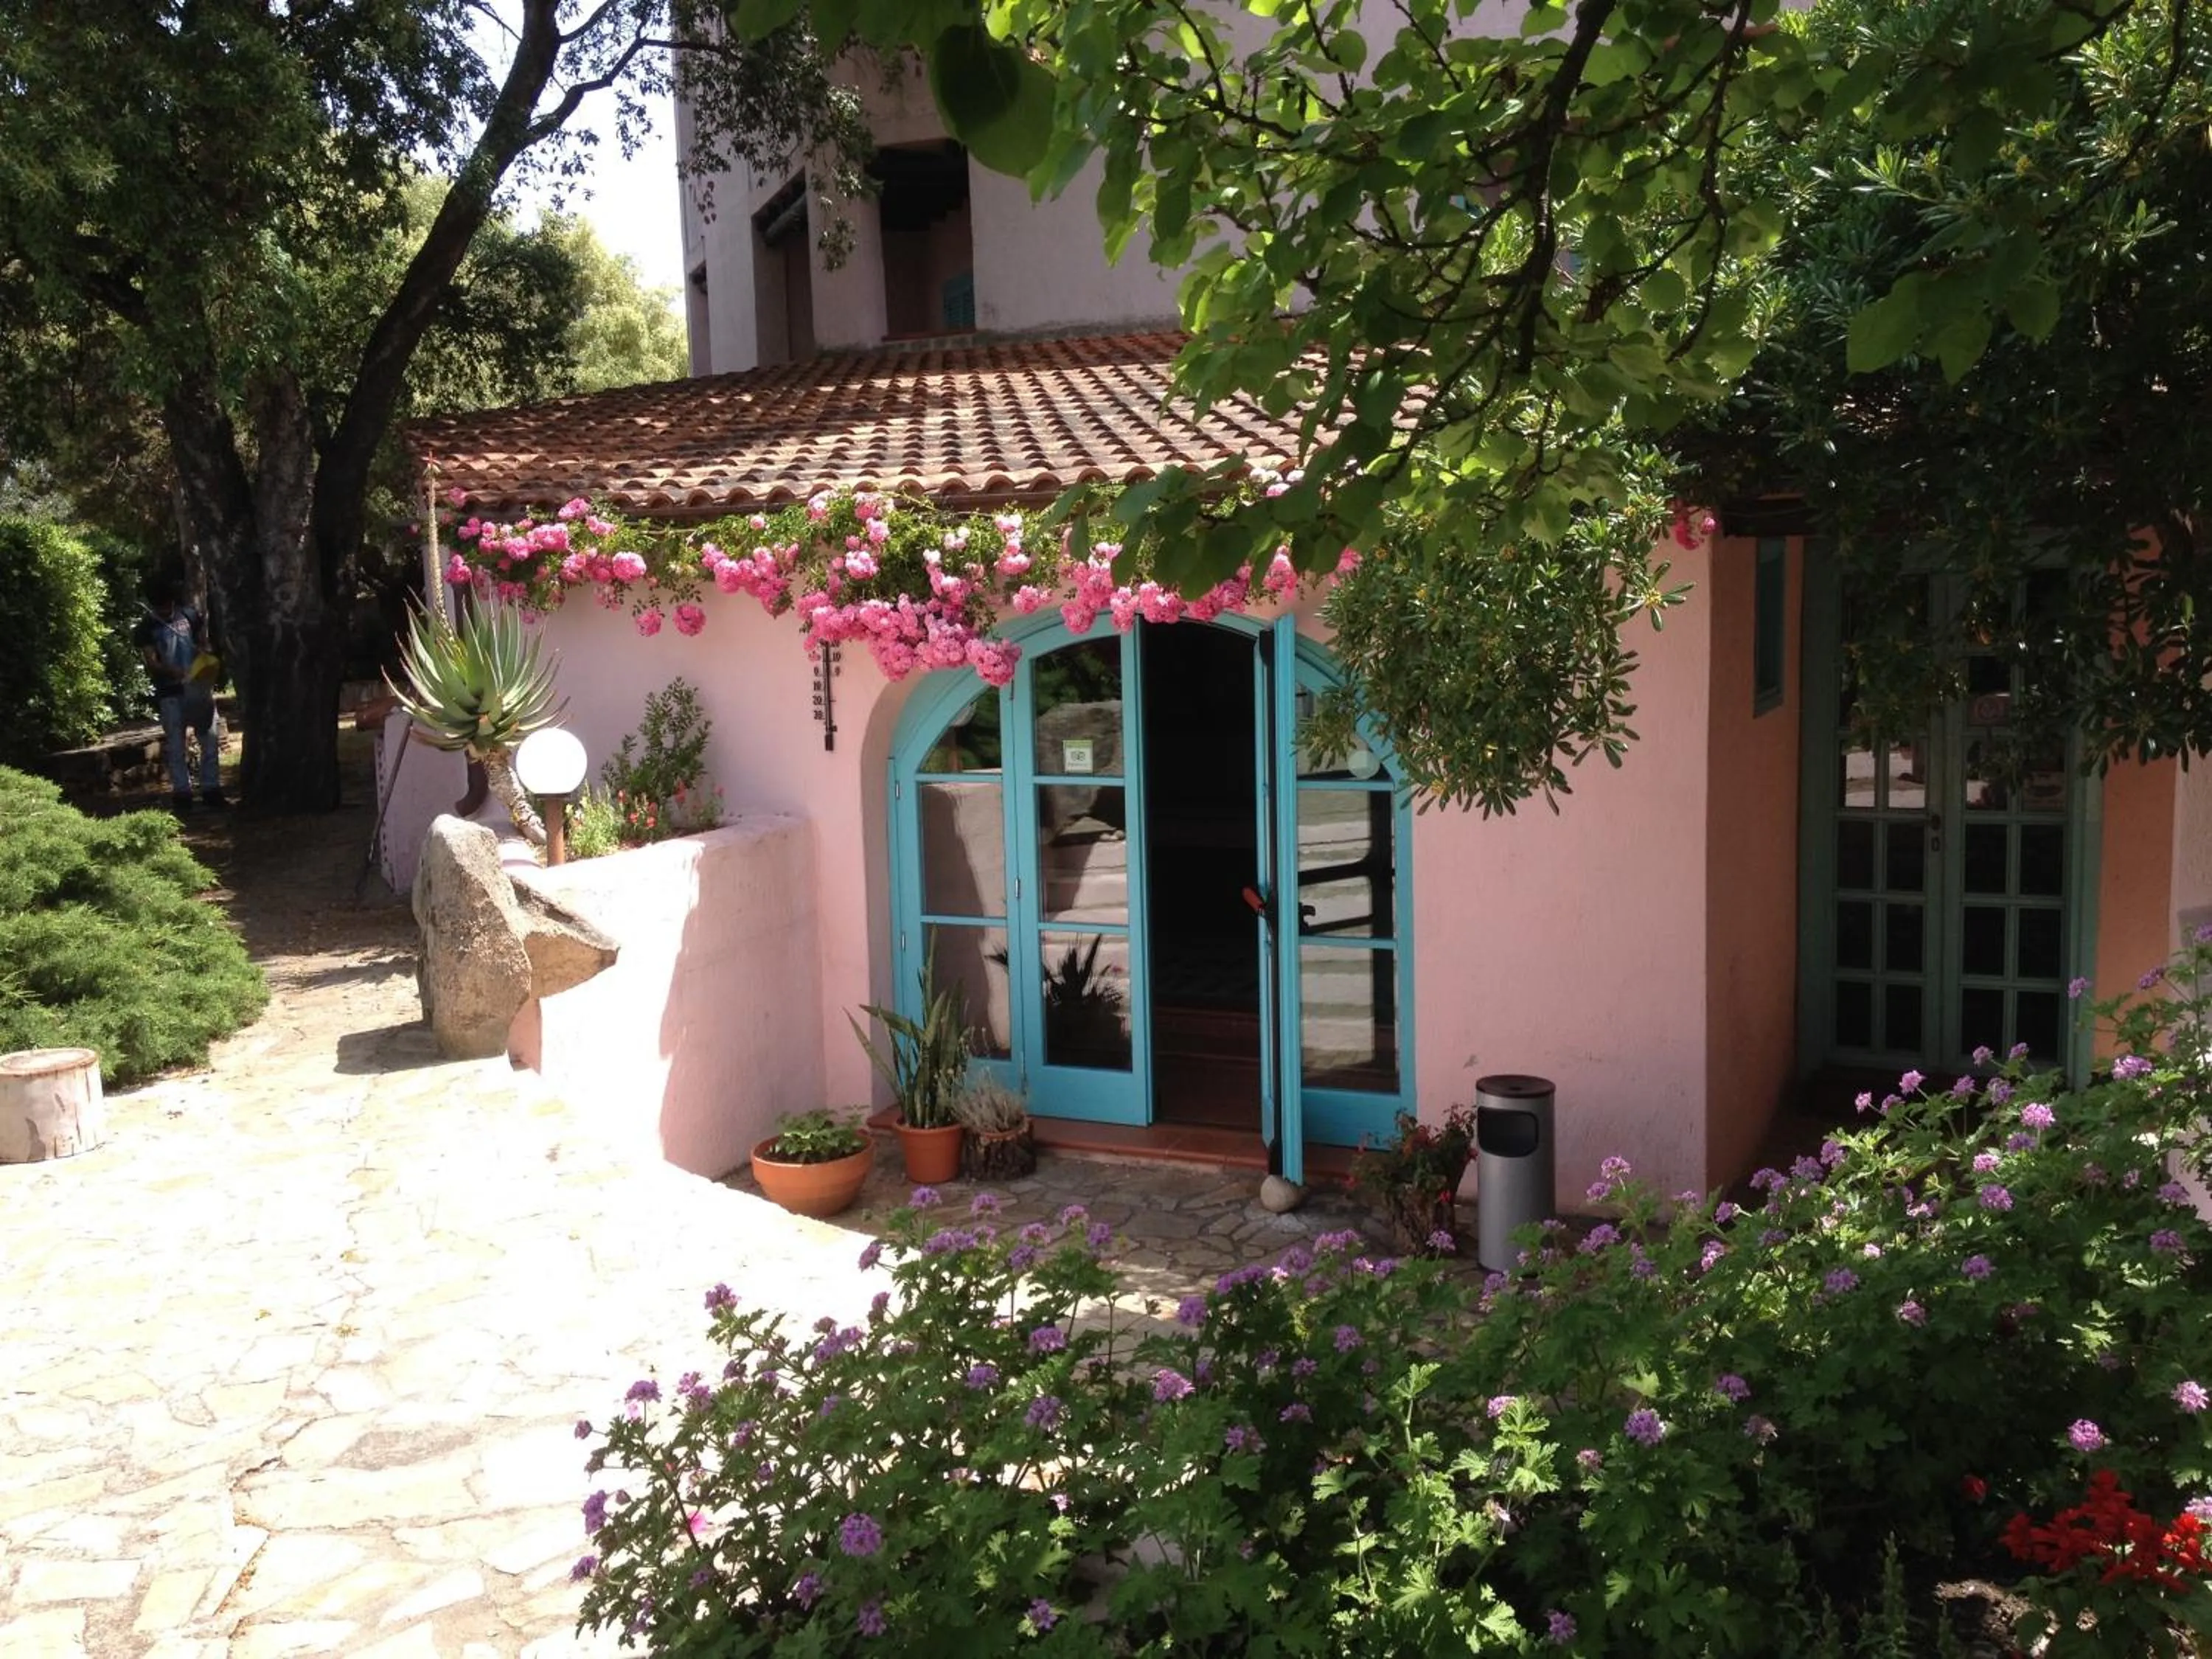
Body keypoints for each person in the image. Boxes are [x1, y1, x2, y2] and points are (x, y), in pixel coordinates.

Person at [134, 579, 227, 810]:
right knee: (176, 746)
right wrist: (172, 671)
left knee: (209, 739)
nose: (164, 611)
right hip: (170, 693)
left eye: (166, 606)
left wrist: (204, 659)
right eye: (159, 608)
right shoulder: (146, 628)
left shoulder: (189, 616)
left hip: (198, 689)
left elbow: (202, 643)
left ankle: (211, 790)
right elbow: (151, 662)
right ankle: (182, 794)